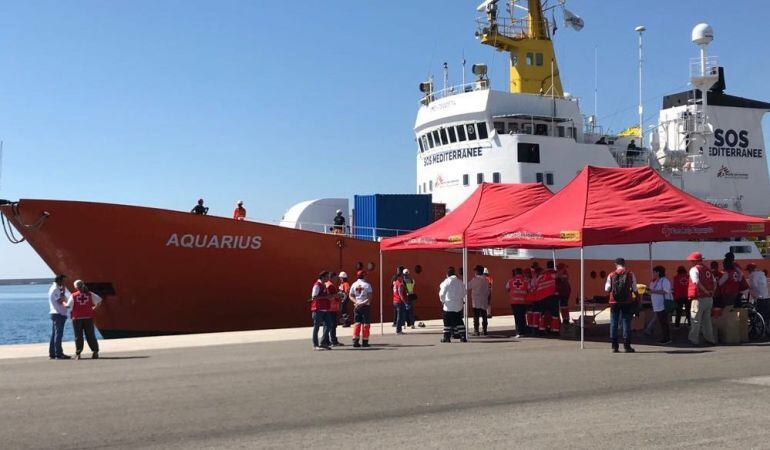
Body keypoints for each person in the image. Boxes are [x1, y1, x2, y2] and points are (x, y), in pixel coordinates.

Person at [604, 258, 637, 353]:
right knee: (626, 322)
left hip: (614, 302)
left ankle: (614, 346)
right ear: (624, 263)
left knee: (614, 322)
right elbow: (634, 288)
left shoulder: (611, 274)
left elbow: (607, 289)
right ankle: (627, 346)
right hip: (627, 301)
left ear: (616, 264)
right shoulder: (630, 274)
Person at [64, 280, 102, 359]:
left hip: (77, 318)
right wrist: (93, 309)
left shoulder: (73, 295)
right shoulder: (90, 294)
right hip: (88, 318)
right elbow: (99, 301)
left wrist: (62, 302)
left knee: (78, 336)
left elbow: (68, 306)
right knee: (91, 335)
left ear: (76, 287)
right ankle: (95, 352)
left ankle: (78, 353)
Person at [687, 252, 717, 346]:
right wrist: (711, 292)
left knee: (695, 319)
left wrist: (705, 291)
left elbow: (696, 282)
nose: (691, 262)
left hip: (699, 299)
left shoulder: (694, 269)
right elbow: (715, 283)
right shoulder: (708, 270)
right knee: (707, 321)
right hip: (709, 299)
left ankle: (693, 340)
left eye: (692, 260)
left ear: (695, 261)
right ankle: (710, 339)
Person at [644, 266, 672, 344]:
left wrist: (653, 291)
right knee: (661, 322)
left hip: (663, 304)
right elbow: (652, 291)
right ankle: (664, 336)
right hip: (657, 305)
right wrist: (649, 291)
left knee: (664, 322)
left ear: (658, 272)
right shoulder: (654, 281)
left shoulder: (665, 281)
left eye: (654, 272)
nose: (653, 274)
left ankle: (667, 338)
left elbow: (665, 291)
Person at [439, 266, 467, 343]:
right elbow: (464, 292)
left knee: (447, 321)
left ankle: (447, 337)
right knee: (459, 321)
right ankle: (463, 336)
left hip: (448, 305)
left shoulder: (446, 282)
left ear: (447, 275)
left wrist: (443, 301)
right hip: (458, 305)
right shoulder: (460, 282)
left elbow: (442, 294)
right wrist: (460, 299)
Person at [48, 275, 71, 360]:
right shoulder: (55, 289)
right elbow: (59, 301)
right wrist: (68, 305)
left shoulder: (56, 288)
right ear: (60, 281)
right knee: (58, 334)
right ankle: (59, 353)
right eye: (64, 281)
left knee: (55, 334)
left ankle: (52, 353)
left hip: (56, 313)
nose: (65, 283)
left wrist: (63, 291)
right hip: (58, 314)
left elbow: (59, 297)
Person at [309, 271, 334, 350]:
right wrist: (326, 297)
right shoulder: (317, 285)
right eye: (327, 276)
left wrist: (331, 297)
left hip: (325, 309)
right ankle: (315, 345)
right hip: (317, 309)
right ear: (322, 277)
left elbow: (325, 296)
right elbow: (314, 297)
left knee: (329, 325)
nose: (328, 278)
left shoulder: (323, 285)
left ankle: (323, 343)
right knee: (316, 327)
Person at [349, 270, 373, 348]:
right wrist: (362, 303)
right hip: (365, 306)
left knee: (357, 323)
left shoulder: (354, 284)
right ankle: (365, 341)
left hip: (357, 306)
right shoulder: (367, 285)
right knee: (366, 324)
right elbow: (369, 298)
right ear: (364, 276)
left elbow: (350, 295)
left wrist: (356, 302)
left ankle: (355, 340)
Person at [506, 268, 529, 338]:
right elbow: (529, 289)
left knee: (517, 317)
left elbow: (507, 288)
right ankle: (523, 331)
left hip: (514, 302)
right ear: (521, 273)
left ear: (515, 273)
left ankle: (519, 332)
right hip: (523, 301)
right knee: (523, 316)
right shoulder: (526, 281)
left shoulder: (510, 281)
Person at [468, 265, 490, 336]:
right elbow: (489, 290)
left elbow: (468, 286)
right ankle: (485, 330)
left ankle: (476, 331)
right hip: (484, 300)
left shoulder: (475, 279)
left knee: (476, 316)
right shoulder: (486, 280)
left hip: (476, 300)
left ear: (477, 271)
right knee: (484, 316)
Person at [322, 272, 343, 347]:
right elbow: (332, 296)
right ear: (332, 277)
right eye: (335, 278)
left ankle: (327, 341)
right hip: (332, 308)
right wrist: (339, 295)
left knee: (328, 325)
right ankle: (333, 341)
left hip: (328, 307)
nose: (336, 279)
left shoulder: (326, 284)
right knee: (333, 325)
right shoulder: (330, 285)